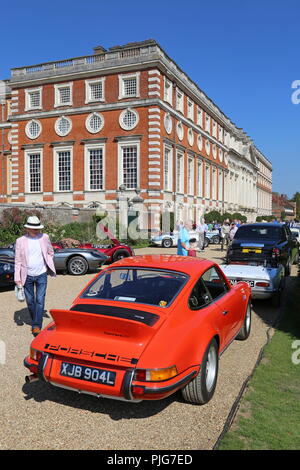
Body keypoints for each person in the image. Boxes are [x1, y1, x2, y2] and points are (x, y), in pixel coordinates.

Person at [14, 216, 56, 336]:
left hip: (41, 274)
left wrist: (48, 262)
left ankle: (36, 325)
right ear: (27, 228)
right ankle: (35, 320)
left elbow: (50, 252)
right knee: (31, 301)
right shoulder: (20, 241)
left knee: (40, 300)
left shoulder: (45, 237)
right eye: (33, 228)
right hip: (26, 275)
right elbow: (17, 261)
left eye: (37, 228)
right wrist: (17, 279)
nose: (36, 230)